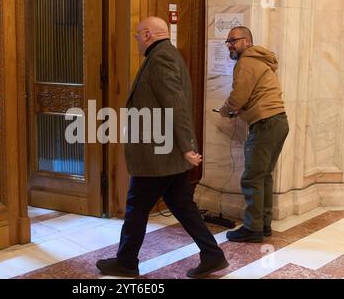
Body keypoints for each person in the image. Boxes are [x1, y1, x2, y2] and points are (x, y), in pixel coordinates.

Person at [96, 17, 228, 279]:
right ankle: (213, 255)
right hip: (168, 154)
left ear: (147, 34)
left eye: (137, 34)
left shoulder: (160, 59)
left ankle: (126, 263)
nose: (135, 38)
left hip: (158, 155)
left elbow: (175, 105)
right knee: (182, 206)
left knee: (136, 207)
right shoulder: (168, 54)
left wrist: (188, 145)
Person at [219, 26, 289, 243]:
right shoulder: (260, 60)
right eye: (228, 41)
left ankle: (253, 228)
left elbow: (238, 97)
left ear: (247, 42)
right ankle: (264, 224)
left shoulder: (246, 61)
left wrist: (226, 110)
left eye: (234, 40)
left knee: (252, 178)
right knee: (264, 176)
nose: (230, 44)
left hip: (266, 123)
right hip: (278, 121)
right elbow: (253, 94)